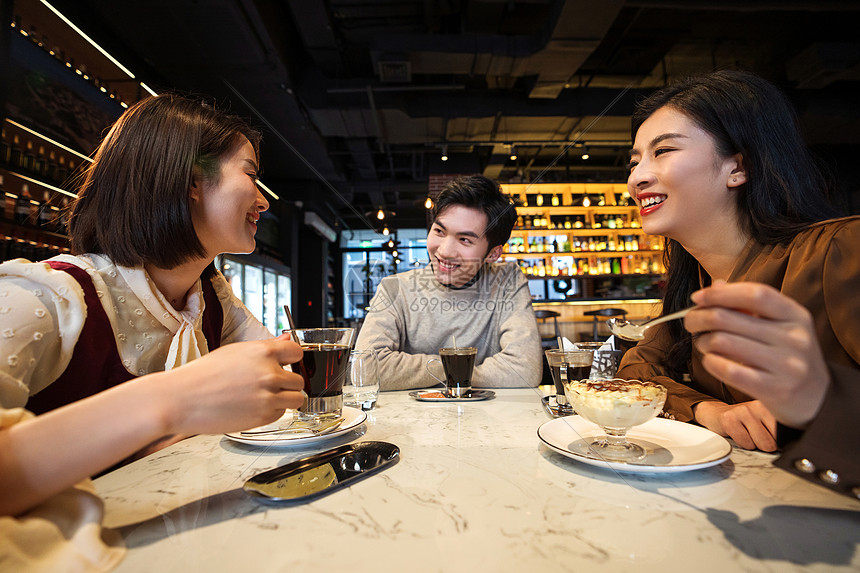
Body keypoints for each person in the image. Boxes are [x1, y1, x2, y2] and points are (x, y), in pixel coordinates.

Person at [0, 94, 305, 566]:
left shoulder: (211, 298)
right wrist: (173, 402)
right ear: (190, 182)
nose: (263, 199)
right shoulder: (45, 297)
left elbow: (280, 375)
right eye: (250, 173)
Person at [616, 69, 859, 497]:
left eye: (664, 151)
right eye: (635, 161)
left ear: (738, 167)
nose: (637, 177)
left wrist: (821, 398)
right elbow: (638, 368)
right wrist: (709, 411)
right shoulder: (694, 285)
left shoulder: (840, 249)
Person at [355, 175, 541, 391]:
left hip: (488, 419)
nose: (444, 251)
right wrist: (454, 369)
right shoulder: (394, 288)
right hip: (410, 420)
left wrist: (420, 372)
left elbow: (524, 368)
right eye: (439, 231)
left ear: (493, 253)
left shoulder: (507, 280)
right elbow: (365, 368)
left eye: (465, 240)